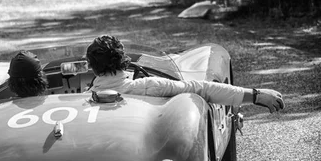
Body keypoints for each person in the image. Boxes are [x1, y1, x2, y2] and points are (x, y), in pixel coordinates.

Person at [85, 35, 284, 113]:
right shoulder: (148, 87)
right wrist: (256, 95)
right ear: (123, 60)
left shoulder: (83, 101)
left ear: (92, 67)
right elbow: (202, 88)